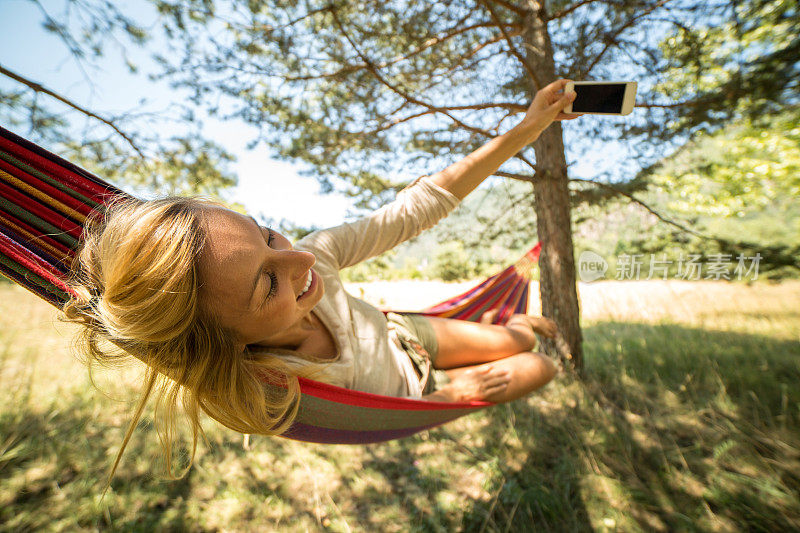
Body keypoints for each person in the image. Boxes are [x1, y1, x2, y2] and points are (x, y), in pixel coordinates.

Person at [61, 79, 579, 483]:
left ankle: (517, 320)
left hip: (406, 333)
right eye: (267, 285)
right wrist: (450, 399)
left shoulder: (315, 255)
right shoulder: (264, 385)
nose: (300, 262)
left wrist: (527, 129)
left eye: (268, 235)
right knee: (540, 367)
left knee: (522, 339)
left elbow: (416, 209)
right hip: (416, 392)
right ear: (225, 341)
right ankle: (510, 335)